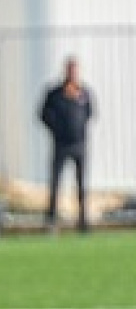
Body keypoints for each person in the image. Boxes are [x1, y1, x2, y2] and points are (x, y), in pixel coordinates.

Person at [39, 56, 94, 232]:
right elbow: (43, 114)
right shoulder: (55, 93)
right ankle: (51, 220)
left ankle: (83, 221)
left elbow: (90, 113)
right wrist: (57, 129)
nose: (73, 73)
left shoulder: (83, 92)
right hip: (61, 144)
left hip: (79, 145)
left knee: (81, 184)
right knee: (55, 183)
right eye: (70, 69)